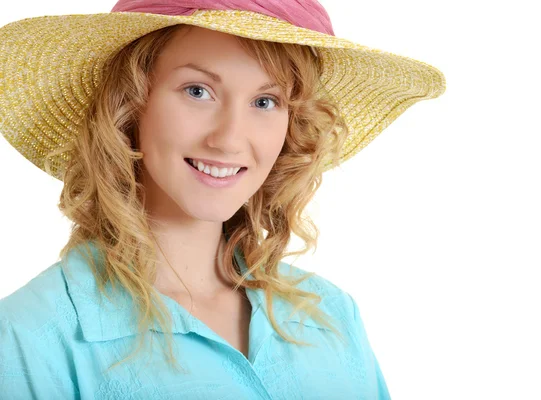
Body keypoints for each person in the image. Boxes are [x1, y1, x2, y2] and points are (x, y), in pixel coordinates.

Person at [0, 0, 445, 398]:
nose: (230, 140)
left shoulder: (329, 314)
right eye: (198, 91)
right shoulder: (30, 335)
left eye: (265, 101)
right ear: (130, 104)